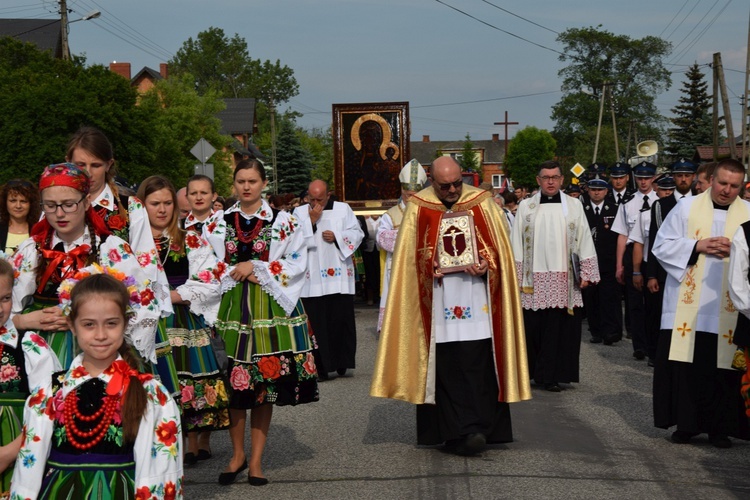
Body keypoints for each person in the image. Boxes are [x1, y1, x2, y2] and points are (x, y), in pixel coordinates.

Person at [371, 156, 530, 455]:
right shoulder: (419, 207)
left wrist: (486, 264)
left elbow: (500, 252)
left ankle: (481, 429)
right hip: (438, 303)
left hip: (476, 299)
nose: (454, 190)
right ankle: (453, 433)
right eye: (446, 186)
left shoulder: (481, 202)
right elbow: (407, 261)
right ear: (432, 180)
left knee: (477, 363)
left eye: (458, 183)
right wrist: (428, 265)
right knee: (444, 367)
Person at [10, 273, 183, 498]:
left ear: (126, 322)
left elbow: (161, 475)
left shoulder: (150, 393)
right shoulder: (49, 392)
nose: (101, 335)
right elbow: (27, 470)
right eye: (89, 324)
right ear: (72, 325)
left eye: (111, 323)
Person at [213, 159, 318, 486]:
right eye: (241, 181)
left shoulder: (282, 221)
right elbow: (206, 260)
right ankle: (237, 455)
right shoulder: (220, 221)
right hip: (231, 307)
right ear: (234, 185)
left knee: (263, 385)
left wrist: (256, 269)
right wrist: (234, 270)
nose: (246, 187)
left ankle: (256, 459)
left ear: (263, 184)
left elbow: (298, 260)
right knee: (233, 383)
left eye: (252, 181)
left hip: (268, 305)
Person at [11, 163, 161, 369]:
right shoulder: (31, 250)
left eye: (68, 204)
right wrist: (23, 321)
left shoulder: (110, 249)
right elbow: (7, 303)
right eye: (50, 205)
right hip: (38, 351)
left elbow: (141, 304)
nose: (59, 213)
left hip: (100, 349)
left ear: (87, 201)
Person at [652, 158, 750, 448]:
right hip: (689, 308)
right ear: (710, 179)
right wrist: (697, 246)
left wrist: (740, 250)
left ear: (742, 186)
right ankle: (687, 425)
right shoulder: (686, 207)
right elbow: (661, 245)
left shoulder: (748, 215)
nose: (726, 190)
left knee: (724, 372)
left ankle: (720, 429)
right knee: (688, 367)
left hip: (732, 307)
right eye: (722, 183)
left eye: (734, 186)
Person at [137, 176, 230, 465]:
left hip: (182, 315)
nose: (162, 209)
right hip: (148, 319)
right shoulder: (131, 241)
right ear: (143, 205)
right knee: (164, 376)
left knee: (190, 374)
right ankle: (169, 435)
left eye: (167, 203)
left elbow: (209, 276)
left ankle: (198, 439)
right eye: (155, 204)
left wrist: (176, 296)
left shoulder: (187, 237)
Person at [511, 160, 600, 392]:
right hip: (532, 279)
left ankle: (553, 375)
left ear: (561, 179)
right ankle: (533, 374)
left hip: (565, 278)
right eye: (546, 177)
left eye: (555, 177)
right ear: (538, 180)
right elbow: (516, 243)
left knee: (559, 329)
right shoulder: (525, 207)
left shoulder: (573, 205)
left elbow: (584, 238)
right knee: (534, 328)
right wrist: (517, 275)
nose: (550, 181)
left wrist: (587, 272)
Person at [66, 127, 170, 319]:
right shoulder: (56, 207)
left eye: (96, 165)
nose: (88, 172)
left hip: (120, 311)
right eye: (81, 164)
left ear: (108, 165)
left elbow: (145, 264)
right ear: (68, 162)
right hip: (67, 311)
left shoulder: (129, 207)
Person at [0, 258, 60, 497]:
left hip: (18, 452)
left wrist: (8, 453)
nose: (0, 308)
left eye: (5, 298)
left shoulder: (29, 345)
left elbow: (51, 407)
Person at [293, 179, 364, 379]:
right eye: (312, 199)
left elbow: (357, 233)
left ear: (328, 195)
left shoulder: (343, 209)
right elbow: (293, 240)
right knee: (317, 322)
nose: (316, 204)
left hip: (338, 275)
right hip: (312, 277)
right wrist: (311, 222)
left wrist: (338, 237)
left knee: (340, 320)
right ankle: (322, 367)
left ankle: (342, 362)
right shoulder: (299, 213)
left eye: (320, 199)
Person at [640, 161, 697, 366]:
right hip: (665, 271)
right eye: (679, 175)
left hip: (692, 269)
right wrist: (652, 274)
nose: (683, 179)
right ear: (673, 177)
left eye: (687, 175)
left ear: (693, 178)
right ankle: (656, 354)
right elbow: (656, 241)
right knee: (659, 314)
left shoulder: (700, 203)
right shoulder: (661, 205)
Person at [613, 161, 657, 361]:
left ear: (653, 178)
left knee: (653, 303)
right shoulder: (628, 203)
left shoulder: (660, 200)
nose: (643, 182)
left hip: (654, 256)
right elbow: (622, 235)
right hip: (633, 256)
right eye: (640, 178)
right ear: (635, 178)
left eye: (647, 178)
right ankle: (639, 345)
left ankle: (653, 342)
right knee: (635, 304)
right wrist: (619, 265)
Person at [376, 159, 427, 331]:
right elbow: (382, 237)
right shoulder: (391, 214)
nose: (411, 198)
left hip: (422, 265)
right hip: (398, 265)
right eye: (408, 194)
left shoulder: (427, 211)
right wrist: (408, 235)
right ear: (402, 191)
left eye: (414, 195)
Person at [582, 173, 621, 345]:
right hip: (589, 262)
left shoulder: (614, 209)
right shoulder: (582, 210)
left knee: (608, 298)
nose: (596, 193)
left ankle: (609, 331)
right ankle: (595, 331)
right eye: (593, 190)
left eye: (600, 190)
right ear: (588, 191)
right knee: (591, 298)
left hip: (608, 261)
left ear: (607, 191)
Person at [0, 180, 40, 255]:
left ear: (31, 204)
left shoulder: (40, 231)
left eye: (23, 201)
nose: (18, 206)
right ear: (5, 202)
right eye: (13, 201)